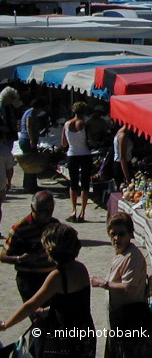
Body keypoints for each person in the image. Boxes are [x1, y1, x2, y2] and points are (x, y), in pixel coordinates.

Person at [0, 223, 96, 358]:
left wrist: (6, 324)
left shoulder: (57, 276)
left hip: (65, 338)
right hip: (84, 332)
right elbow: (72, 304)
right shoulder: (81, 268)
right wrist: (45, 311)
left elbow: (30, 306)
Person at [90, 212, 152, 358]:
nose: (116, 238)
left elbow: (128, 287)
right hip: (118, 322)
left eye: (121, 234)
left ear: (130, 234)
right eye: (113, 234)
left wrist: (104, 283)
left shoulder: (132, 257)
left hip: (129, 323)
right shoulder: (121, 254)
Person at [1, 190, 60, 301]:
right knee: (37, 314)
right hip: (29, 278)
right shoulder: (19, 229)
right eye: (43, 211)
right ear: (33, 208)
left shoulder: (55, 225)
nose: (48, 214)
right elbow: (3, 256)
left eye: (51, 210)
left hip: (50, 276)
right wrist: (20, 259)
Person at [61, 101, 93, 223]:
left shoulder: (66, 124)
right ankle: (83, 212)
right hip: (85, 154)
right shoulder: (85, 124)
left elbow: (64, 143)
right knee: (85, 184)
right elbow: (91, 140)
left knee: (73, 183)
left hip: (72, 154)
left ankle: (73, 209)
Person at [0, 87, 22, 232]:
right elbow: (10, 168)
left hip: (6, 139)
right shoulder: (2, 108)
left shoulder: (7, 108)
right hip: (4, 140)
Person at [18, 98, 49, 194]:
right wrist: (32, 140)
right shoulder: (31, 113)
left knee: (31, 162)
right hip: (27, 140)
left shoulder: (30, 112)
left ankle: (30, 184)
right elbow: (29, 126)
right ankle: (29, 186)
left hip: (29, 139)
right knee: (31, 163)